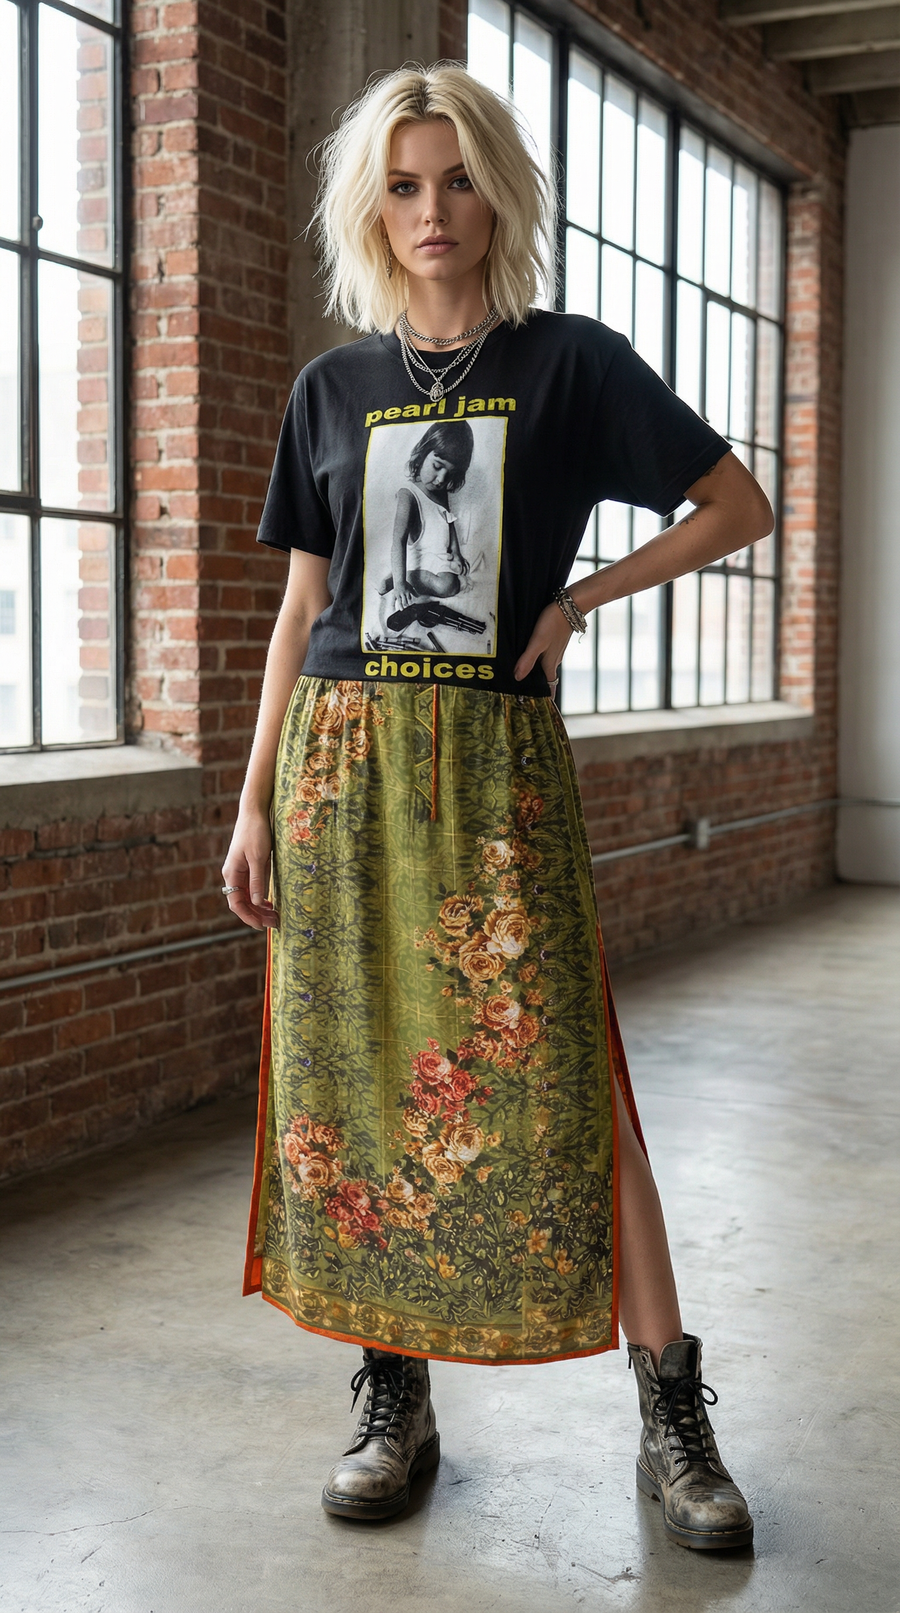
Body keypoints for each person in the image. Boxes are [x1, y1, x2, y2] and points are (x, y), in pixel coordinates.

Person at [222, 63, 772, 1550]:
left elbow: (738, 507)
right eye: (404, 184)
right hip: (341, 768)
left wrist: (579, 598)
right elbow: (303, 610)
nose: (432, 210)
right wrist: (253, 800)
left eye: (458, 178)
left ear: (499, 194)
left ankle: (674, 1417)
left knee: (573, 1083)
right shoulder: (330, 389)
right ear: (371, 207)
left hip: (496, 771)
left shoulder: (571, 364)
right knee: (363, 1088)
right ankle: (392, 1398)